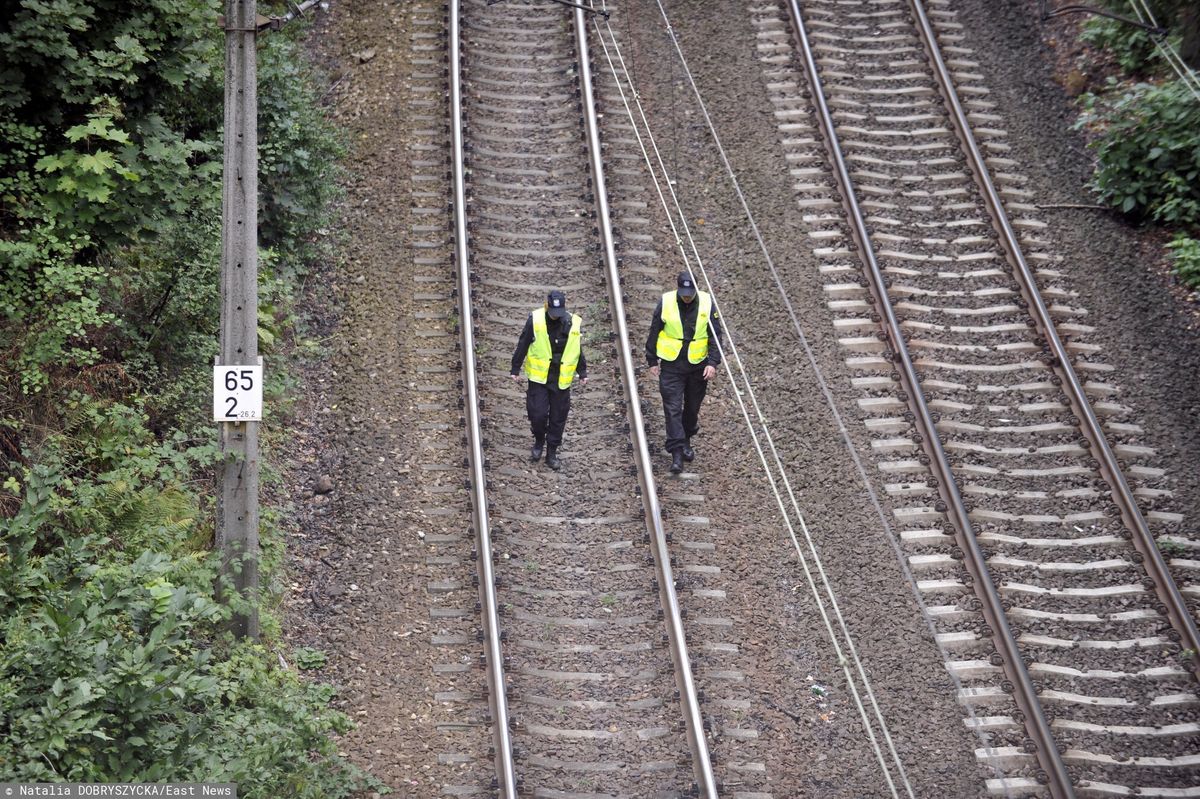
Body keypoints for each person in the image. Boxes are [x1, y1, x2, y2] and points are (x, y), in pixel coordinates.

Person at [646, 271, 723, 474]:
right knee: (672, 409)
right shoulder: (667, 301)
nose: (687, 296)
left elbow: (715, 334)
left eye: (690, 293)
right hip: (672, 365)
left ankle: (687, 437)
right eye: (684, 292)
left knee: (691, 409)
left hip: (698, 366)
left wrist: (713, 363)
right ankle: (677, 453)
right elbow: (654, 329)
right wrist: (652, 359)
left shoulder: (706, 302)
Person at [510, 290, 587, 470]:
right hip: (539, 378)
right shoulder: (535, 320)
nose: (556, 317)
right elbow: (524, 342)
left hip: (561, 379)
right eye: (553, 313)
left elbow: (576, 349)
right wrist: (515, 367)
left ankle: (551, 452)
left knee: (558, 418)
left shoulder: (572, 322)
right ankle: (538, 439)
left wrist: (582, 371)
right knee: (537, 414)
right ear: (547, 306)